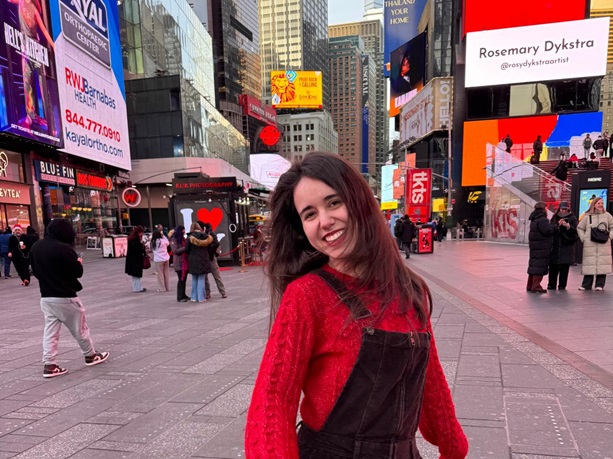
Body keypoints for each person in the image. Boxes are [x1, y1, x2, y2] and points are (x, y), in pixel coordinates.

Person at [245, 152, 468, 458]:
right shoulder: (307, 295)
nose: (325, 221)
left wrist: (452, 443)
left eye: (334, 202)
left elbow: (429, 376)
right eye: (309, 214)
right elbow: (273, 399)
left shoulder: (408, 288)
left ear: (359, 200)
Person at [30, 219, 109, 378]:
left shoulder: (36, 247)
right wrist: (78, 262)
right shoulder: (64, 248)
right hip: (66, 296)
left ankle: (50, 365)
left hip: (46, 297)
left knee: (50, 332)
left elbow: (35, 272)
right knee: (80, 329)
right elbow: (77, 272)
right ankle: (90, 355)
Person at [576, 197, 613, 291]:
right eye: (598, 203)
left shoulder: (607, 215)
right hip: (590, 244)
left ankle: (599, 285)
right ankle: (586, 285)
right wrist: (584, 238)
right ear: (594, 204)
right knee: (589, 264)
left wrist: (610, 237)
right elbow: (580, 228)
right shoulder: (587, 216)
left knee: (602, 263)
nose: (600, 205)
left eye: (602, 203)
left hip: (604, 244)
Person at [548, 202, 578, 290]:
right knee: (553, 266)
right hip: (555, 245)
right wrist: (557, 225)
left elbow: (576, 231)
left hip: (566, 245)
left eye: (565, 209)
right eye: (562, 209)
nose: (563, 211)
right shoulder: (555, 217)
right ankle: (551, 284)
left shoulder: (572, 218)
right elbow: (550, 228)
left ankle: (562, 285)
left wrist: (568, 227)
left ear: (568, 209)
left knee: (564, 267)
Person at [527, 201, 555, 293]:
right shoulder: (543, 219)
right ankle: (536, 286)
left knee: (534, 266)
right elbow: (547, 231)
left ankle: (530, 285)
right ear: (543, 209)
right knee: (539, 266)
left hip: (535, 247)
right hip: (542, 247)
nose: (547, 210)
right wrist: (554, 226)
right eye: (546, 208)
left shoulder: (534, 219)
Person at [199, 221, 228, 300]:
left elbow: (216, 243)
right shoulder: (207, 234)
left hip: (209, 257)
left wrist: (209, 249)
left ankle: (219, 292)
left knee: (214, 276)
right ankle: (216, 292)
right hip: (208, 257)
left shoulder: (209, 234)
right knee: (210, 277)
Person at [185, 222, 213, 303]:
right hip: (204, 259)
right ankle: (201, 297)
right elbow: (210, 249)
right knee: (201, 278)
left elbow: (187, 249)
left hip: (193, 259)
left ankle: (194, 297)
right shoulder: (206, 237)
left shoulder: (190, 237)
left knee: (194, 278)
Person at [169, 225, 189, 302]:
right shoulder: (173, 239)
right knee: (181, 279)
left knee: (184, 279)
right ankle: (180, 296)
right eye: (183, 230)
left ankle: (183, 294)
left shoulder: (183, 239)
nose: (184, 231)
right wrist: (185, 248)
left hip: (184, 262)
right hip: (178, 262)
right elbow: (175, 251)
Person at [125, 226, 147, 293]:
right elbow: (138, 249)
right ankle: (137, 288)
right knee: (137, 274)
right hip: (136, 259)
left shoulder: (131, 238)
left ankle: (137, 287)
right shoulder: (135, 240)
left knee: (135, 275)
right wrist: (143, 248)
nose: (142, 234)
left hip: (132, 259)